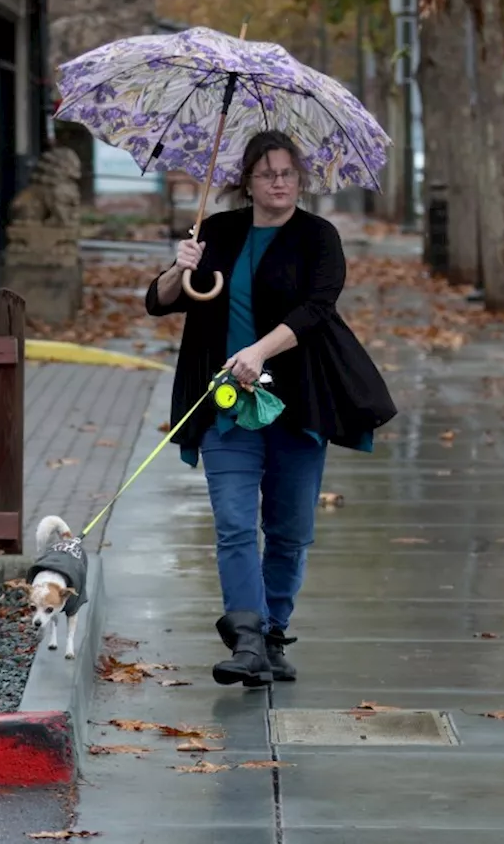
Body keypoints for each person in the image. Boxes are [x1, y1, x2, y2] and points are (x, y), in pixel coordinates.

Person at [145, 129, 396, 687]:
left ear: (299, 179)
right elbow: (160, 302)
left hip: (297, 403)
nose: (279, 183)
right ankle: (249, 637)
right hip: (225, 405)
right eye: (267, 174)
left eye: (287, 173)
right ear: (247, 182)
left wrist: (258, 351)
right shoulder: (217, 231)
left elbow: (317, 308)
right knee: (235, 525)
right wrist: (177, 266)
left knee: (289, 532)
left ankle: (273, 633)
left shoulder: (318, 237)